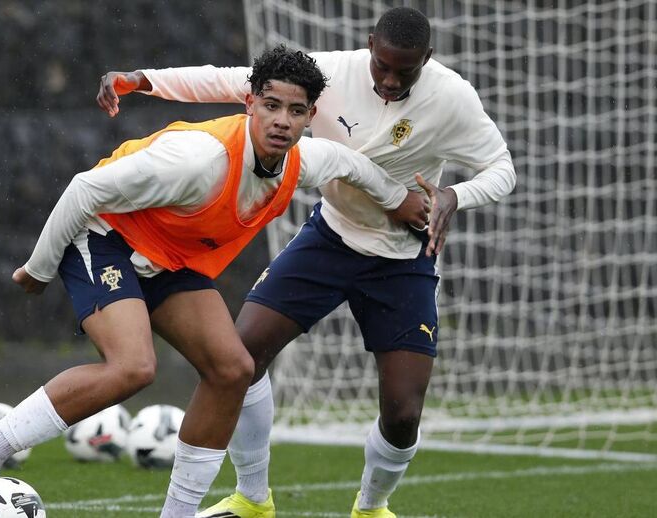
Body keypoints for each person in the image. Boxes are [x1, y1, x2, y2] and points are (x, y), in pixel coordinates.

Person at [0, 45, 429, 518]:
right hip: (108, 240)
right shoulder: (198, 159)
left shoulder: (305, 160)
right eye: (271, 105)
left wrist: (398, 200)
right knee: (133, 368)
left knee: (233, 368)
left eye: (296, 111)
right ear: (249, 102)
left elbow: (353, 165)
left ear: (310, 116)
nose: (282, 120)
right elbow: (85, 189)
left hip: (170, 262)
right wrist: (39, 267)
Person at [96, 7, 516, 518]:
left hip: (403, 258)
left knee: (404, 411)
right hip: (330, 237)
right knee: (241, 358)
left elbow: (502, 169)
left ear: (425, 60)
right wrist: (143, 80)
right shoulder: (334, 73)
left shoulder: (453, 98)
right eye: (380, 64)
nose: (387, 78)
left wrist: (455, 194)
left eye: (403, 71)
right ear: (368, 47)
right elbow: (232, 81)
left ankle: (371, 507)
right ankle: (253, 499)